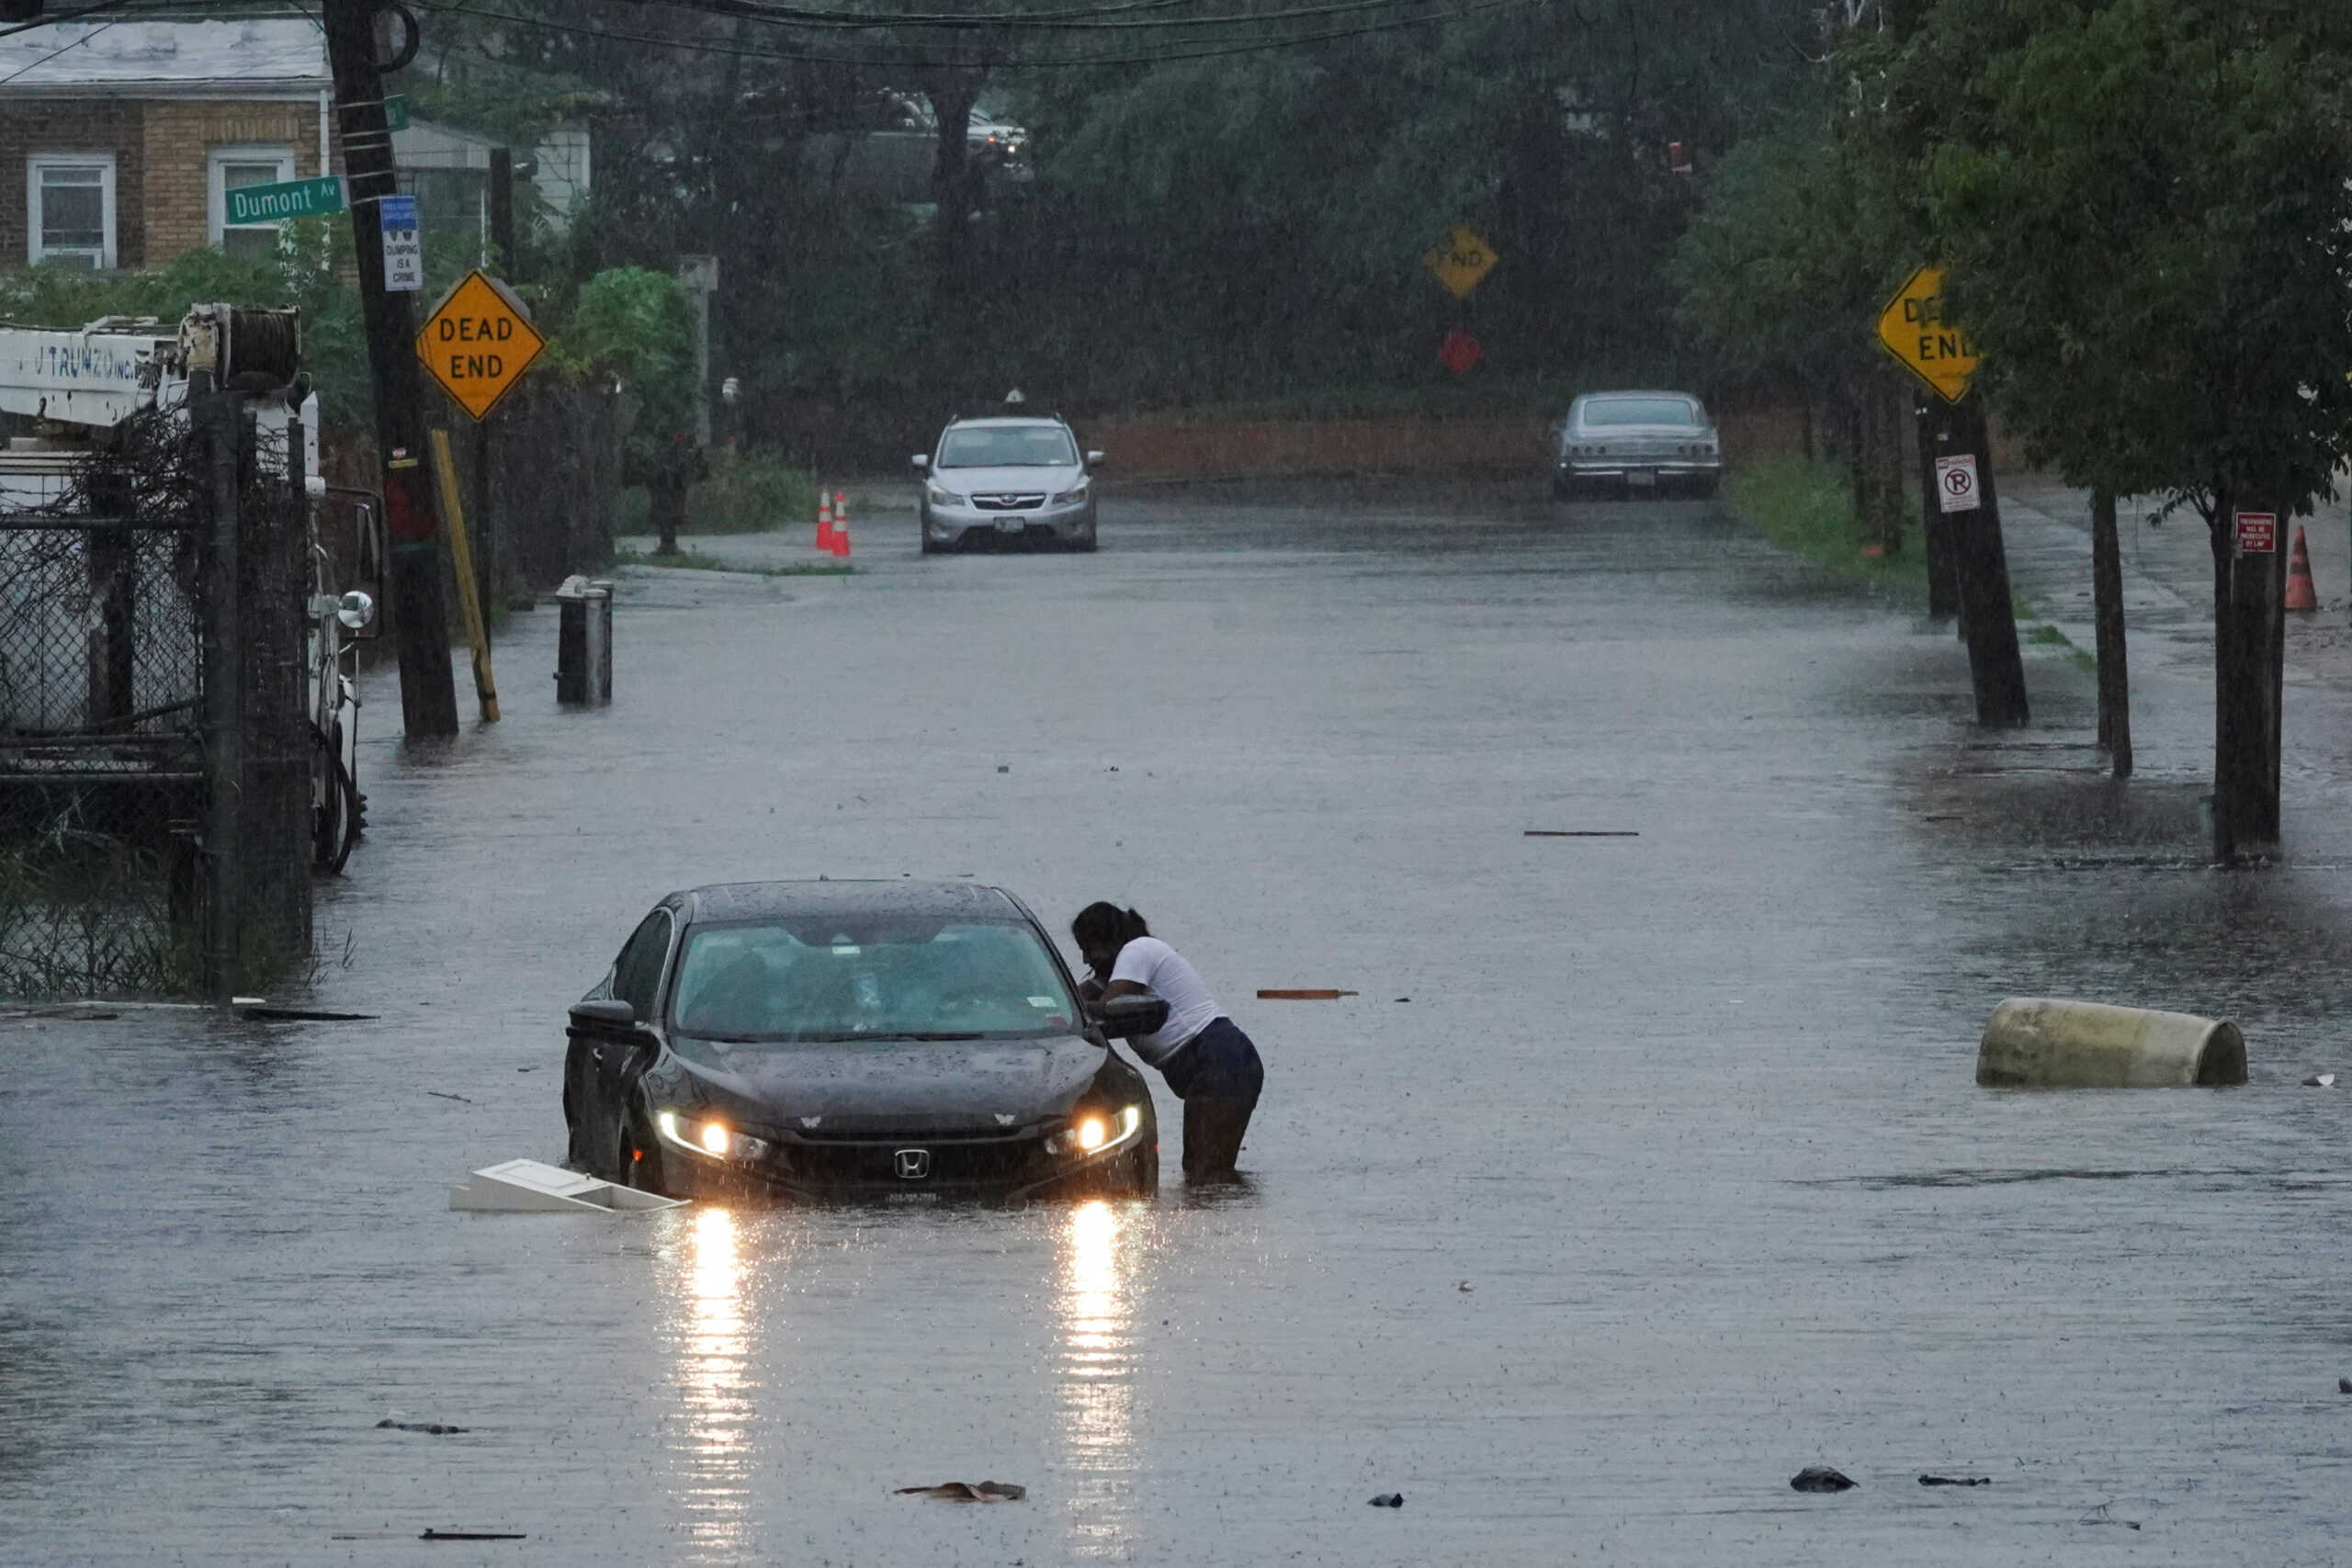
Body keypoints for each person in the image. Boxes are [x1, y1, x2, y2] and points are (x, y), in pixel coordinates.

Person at [1071, 903, 1263, 1181]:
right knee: (1208, 1174)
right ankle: (1231, 1216)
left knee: (1204, 1172)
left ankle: (1229, 1219)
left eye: (1089, 949)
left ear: (1109, 940)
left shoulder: (1137, 951)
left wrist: (1072, 1014)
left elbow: (1108, 1009)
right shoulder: (1121, 967)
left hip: (1220, 1060)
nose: (1086, 959)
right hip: (1226, 1063)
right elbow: (1073, 999)